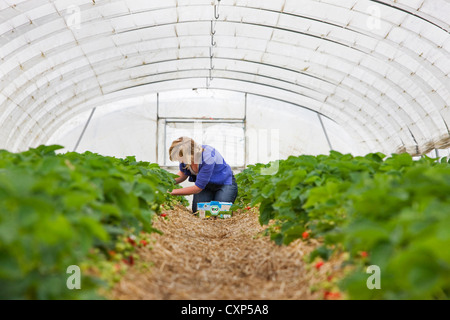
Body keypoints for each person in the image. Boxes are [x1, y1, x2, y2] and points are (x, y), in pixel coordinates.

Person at [168, 136, 238, 213]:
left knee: (220, 212)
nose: (180, 161)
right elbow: (183, 173)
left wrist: (171, 192)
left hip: (224, 183)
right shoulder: (186, 159)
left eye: (180, 158)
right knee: (199, 212)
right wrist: (167, 182)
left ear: (189, 155)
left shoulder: (208, 157)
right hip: (206, 185)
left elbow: (198, 188)